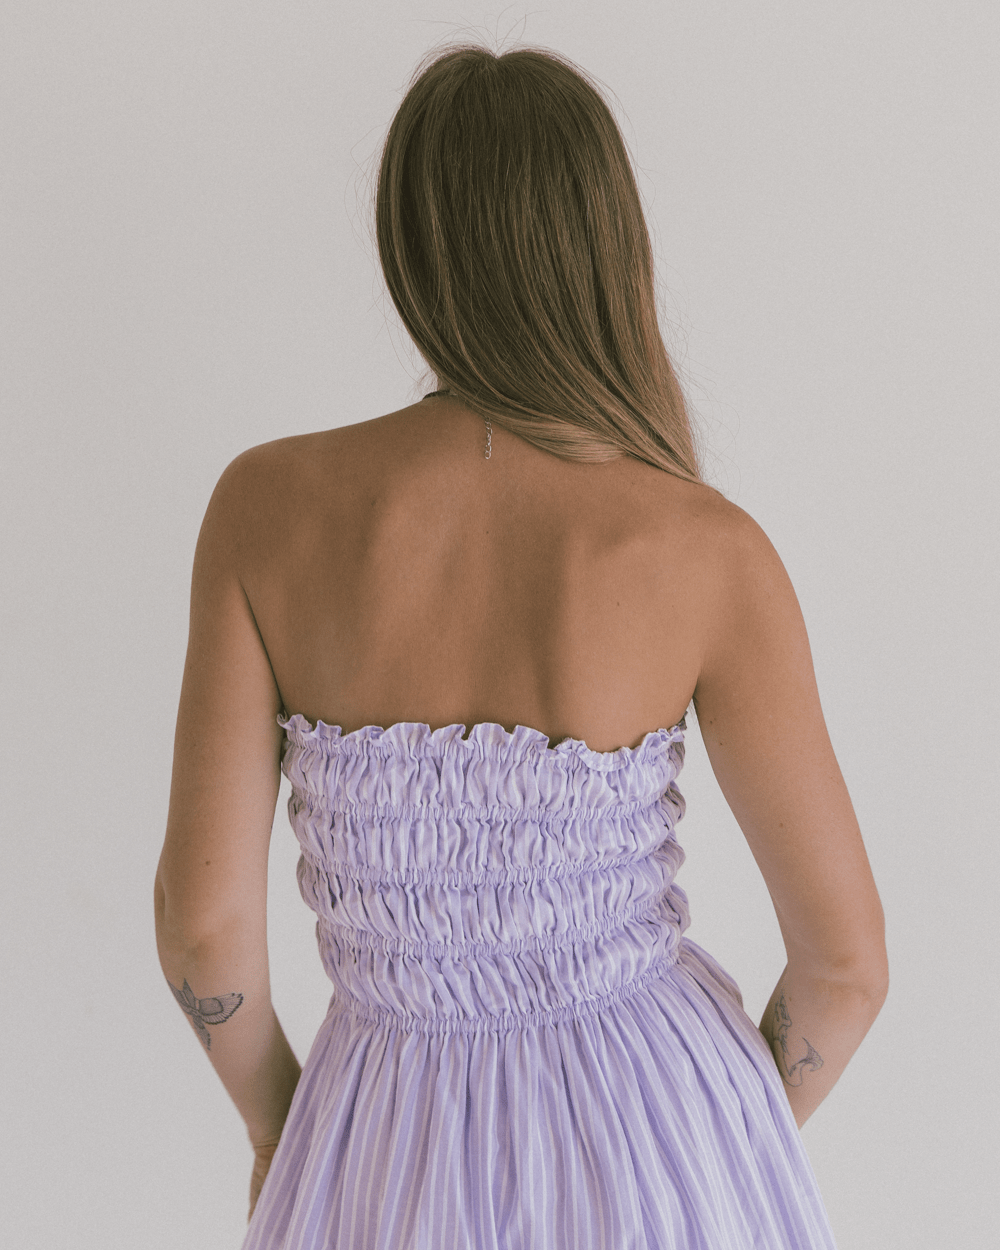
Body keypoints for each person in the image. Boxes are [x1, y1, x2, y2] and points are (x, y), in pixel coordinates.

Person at [154, 42, 888, 1249]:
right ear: (607, 245)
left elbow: (203, 928)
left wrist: (282, 1133)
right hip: (656, 1123)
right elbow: (846, 966)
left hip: (382, 1135)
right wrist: (715, 1132)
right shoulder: (707, 548)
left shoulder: (266, 510)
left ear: (409, 245)